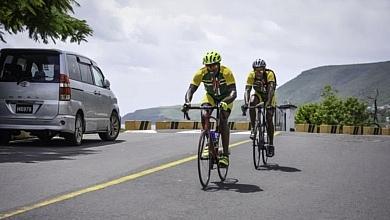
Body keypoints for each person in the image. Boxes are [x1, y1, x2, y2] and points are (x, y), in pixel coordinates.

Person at [182, 51, 237, 167]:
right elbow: (191, 90)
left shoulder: (226, 72)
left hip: (226, 97)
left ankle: (225, 154)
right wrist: (187, 102)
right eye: (208, 66)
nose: (211, 68)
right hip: (211, 96)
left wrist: (225, 102)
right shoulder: (201, 73)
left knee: (222, 120)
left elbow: (233, 93)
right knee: (204, 113)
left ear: (218, 64)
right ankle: (209, 143)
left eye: (213, 65)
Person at [241, 58, 276, 157]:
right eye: (256, 70)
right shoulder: (251, 75)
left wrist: (268, 103)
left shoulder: (269, 74)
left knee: (269, 118)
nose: (258, 72)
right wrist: (246, 103)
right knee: (252, 102)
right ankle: (253, 128)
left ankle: (270, 144)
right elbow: (247, 90)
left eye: (260, 70)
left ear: (264, 69)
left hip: (269, 96)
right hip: (259, 95)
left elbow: (271, 90)